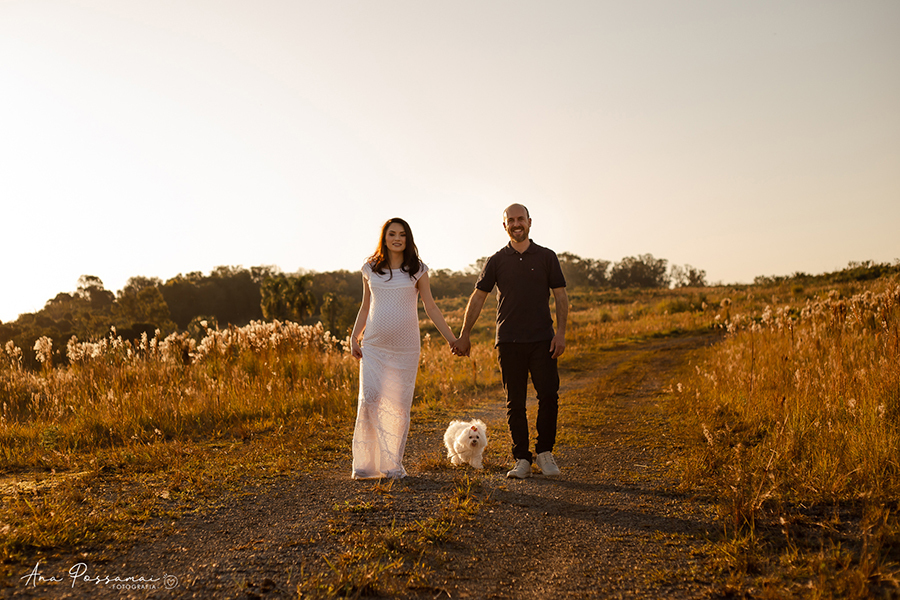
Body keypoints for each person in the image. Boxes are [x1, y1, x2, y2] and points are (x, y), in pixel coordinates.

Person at [452, 204, 568, 479]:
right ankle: (522, 459)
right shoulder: (496, 260)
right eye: (511, 220)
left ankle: (544, 454)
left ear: (529, 222)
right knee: (514, 403)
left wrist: (561, 333)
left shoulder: (547, 257)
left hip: (543, 339)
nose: (516, 224)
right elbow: (478, 297)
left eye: (521, 219)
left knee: (549, 396)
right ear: (504, 226)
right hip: (508, 341)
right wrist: (465, 333)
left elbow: (561, 297)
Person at [349, 217, 457, 480]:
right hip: (373, 345)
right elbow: (365, 307)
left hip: (405, 348)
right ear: (384, 238)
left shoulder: (417, 270)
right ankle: (365, 465)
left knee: (397, 406)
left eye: (402, 235)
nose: (397, 238)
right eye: (392, 234)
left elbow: (430, 307)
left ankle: (390, 464)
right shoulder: (370, 269)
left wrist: (452, 339)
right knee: (370, 399)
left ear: (408, 240)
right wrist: (354, 337)